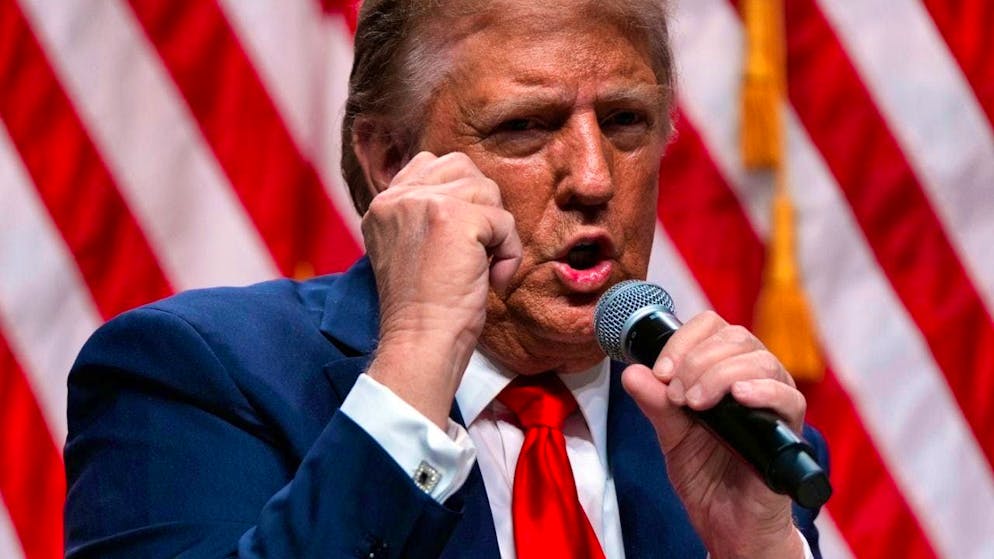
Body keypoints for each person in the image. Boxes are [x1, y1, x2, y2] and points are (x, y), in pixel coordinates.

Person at [64, 1, 827, 557]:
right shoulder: (193, 375)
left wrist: (759, 550)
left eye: (626, 121)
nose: (594, 178)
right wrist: (419, 354)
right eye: (525, 126)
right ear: (393, 161)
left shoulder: (729, 434)